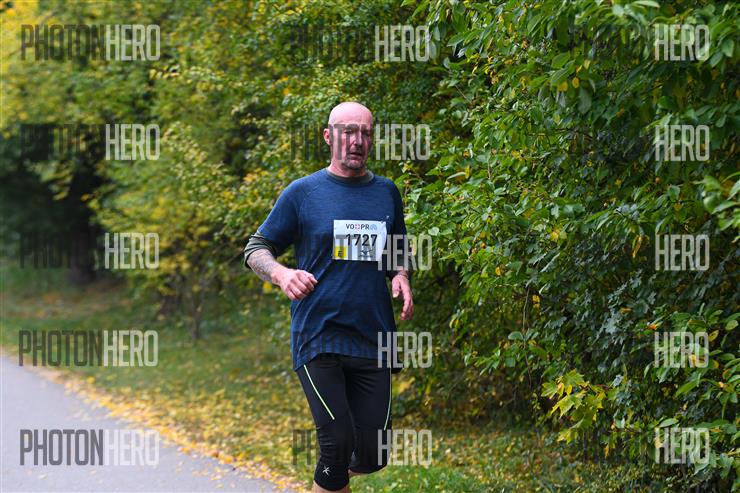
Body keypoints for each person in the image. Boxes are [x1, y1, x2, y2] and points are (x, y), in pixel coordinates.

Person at [244, 101, 413, 493]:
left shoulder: (386, 193)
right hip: (318, 335)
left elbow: (398, 249)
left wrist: (401, 275)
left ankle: (330, 480)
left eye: (365, 133)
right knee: (336, 444)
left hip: (373, 337)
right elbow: (256, 248)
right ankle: (332, 471)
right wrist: (282, 274)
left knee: (372, 454)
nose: (357, 141)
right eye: (348, 131)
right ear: (328, 137)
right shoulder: (303, 193)